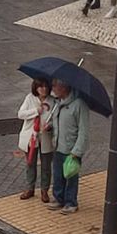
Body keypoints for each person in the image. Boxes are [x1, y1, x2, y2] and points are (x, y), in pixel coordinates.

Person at [46, 79, 89, 214]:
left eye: (55, 86)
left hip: (72, 149)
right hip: (58, 146)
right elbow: (57, 122)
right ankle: (59, 198)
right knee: (58, 175)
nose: (52, 88)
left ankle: (71, 202)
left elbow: (83, 131)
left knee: (71, 177)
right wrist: (50, 126)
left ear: (64, 87)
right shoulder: (57, 103)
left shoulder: (79, 105)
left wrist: (77, 151)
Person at [16, 79, 55, 202]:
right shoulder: (30, 98)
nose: (43, 89)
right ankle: (30, 188)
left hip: (46, 137)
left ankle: (44, 190)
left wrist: (49, 126)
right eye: (40, 87)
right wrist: (35, 111)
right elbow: (20, 114)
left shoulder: (53, 101)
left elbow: (55, 118)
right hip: (31, 136)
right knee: (30, 163)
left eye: (45, 86)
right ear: (36, 88)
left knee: (46, 165)